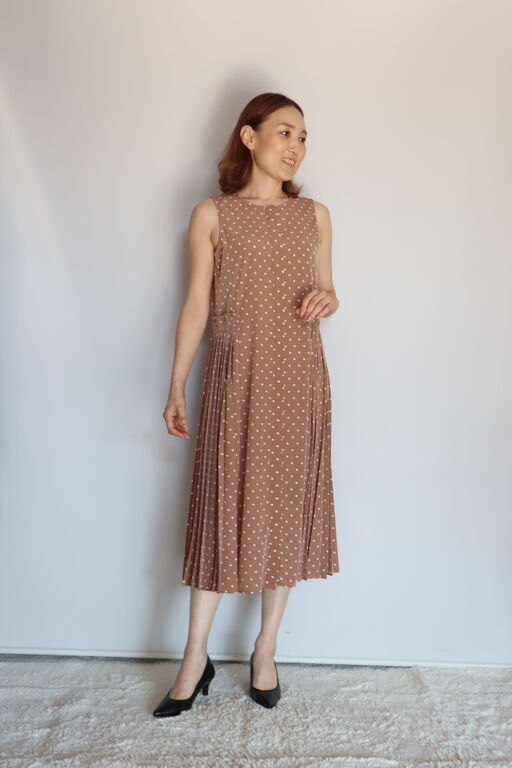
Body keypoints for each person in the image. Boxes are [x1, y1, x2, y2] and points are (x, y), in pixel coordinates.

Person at [153, 92, 341, 717]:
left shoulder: (315, 215)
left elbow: (328, 289)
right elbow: (196, 306)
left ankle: (266, 649)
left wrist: (329, 298)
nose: (296, 147)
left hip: (298, 380)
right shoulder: (212, 214)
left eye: (304, 137)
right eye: (285, 132)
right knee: (220, 508)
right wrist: (176, 385)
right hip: (235, 380)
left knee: (283, 510)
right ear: (250, 136)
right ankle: (194, 657)